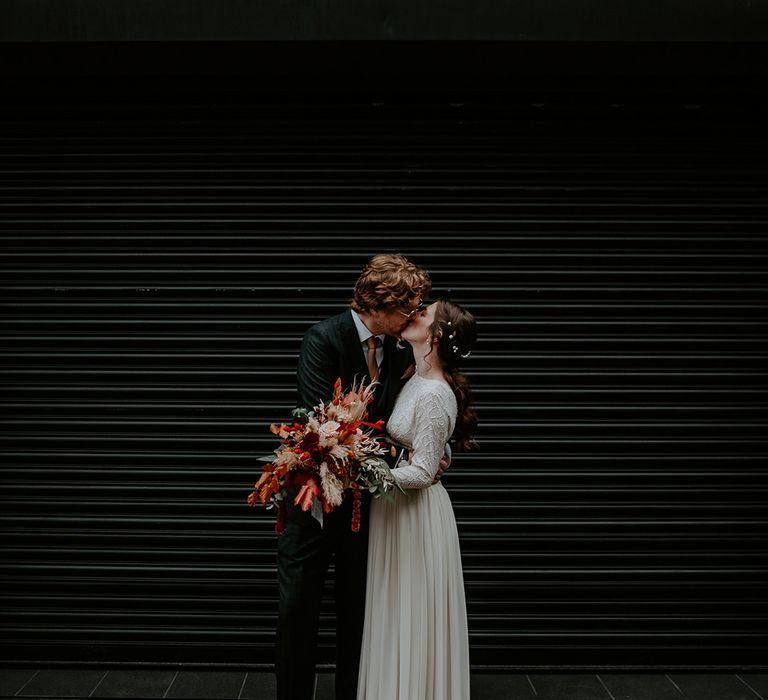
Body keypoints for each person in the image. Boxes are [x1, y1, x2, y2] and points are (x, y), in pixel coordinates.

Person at [276, 253, 437, 700]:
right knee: (297, 614)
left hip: (367, 511)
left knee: (360, 615)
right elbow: (318, 423)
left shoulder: (402, 349)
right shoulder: (323, 338)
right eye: (408, 308)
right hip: (311, 507)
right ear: (379, 304)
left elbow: (407, 417)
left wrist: (429, 451)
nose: (413, 317)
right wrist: (394, 453)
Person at [357, 298, 478, 700]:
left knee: (410, 614)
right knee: (394, 612)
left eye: (424, 313)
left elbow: (425, 471)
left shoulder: (433, 393)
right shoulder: (414, 376)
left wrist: (364, 471)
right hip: (397, 510)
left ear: (437, 335)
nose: (415, 312)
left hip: (415, 514)